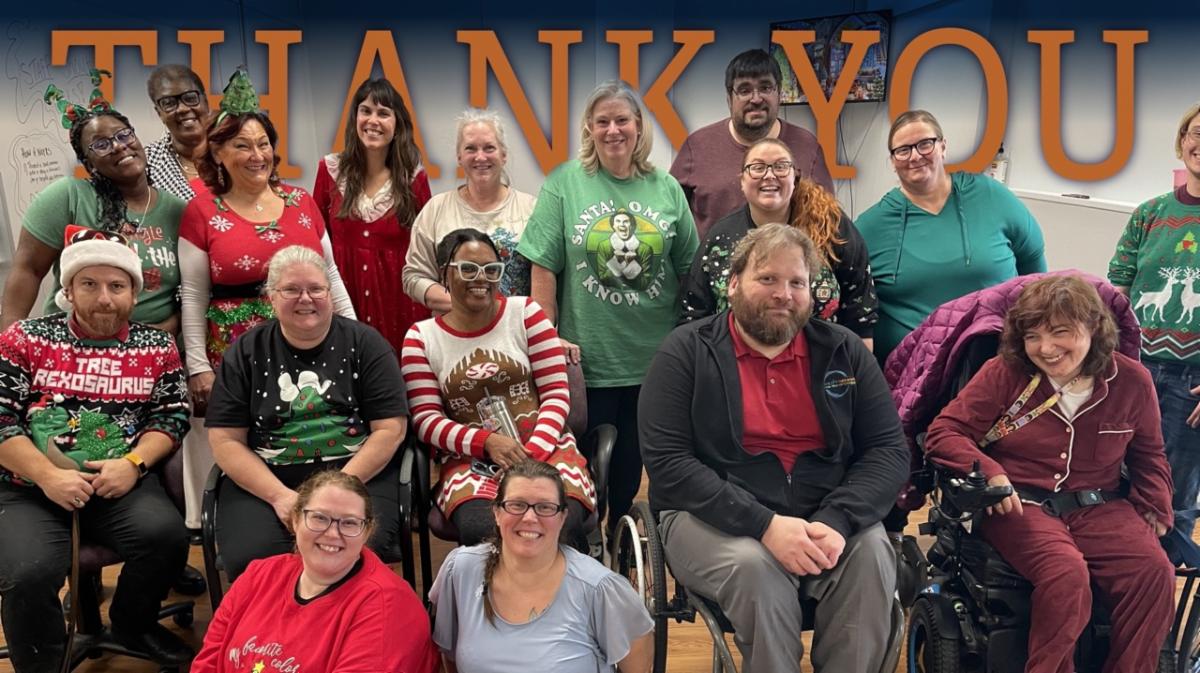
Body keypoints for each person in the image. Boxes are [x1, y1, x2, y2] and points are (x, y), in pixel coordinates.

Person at [640, 224, 908, 673]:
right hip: (715, 519)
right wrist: (763, 525)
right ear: (732, 284)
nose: (783, 293)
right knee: (754, 569)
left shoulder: (844, 351)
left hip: (826, 513)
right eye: (767, 279)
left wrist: (837, 520)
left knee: (873, 555)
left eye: (796, 282)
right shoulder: (685, 352)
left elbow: (887, 450)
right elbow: (668, 464)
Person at [924, 274, 1175, 673]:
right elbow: (944, 431)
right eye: (1033, 336)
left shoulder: (1132, 380)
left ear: (1093, 328)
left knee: (1154, 573)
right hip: (1019, 502)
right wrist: (990, 472)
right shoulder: (1005, 372)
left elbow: (1149, 454)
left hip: (1100, 505)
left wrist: (1155, 504)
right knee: (1065, 574)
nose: (1046, 348)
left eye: (1060, 332)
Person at [0, 228, 193, 671]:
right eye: (90, 284)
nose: (104, 298)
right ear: (67, 290)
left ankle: (133, 624)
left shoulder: (157, 346)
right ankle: (44, 662)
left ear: (133, 292)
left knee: (166, 537)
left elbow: (171, 416)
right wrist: (48, 476)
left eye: (117, 286)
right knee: (28, 573)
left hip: (117, 481)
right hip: (29, 486)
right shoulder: (25, 340)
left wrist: (132, 463)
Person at [518, 81, 698, 533]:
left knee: (629, 470)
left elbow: (690, 269)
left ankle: (623, 547)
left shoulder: (667, 187)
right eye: (603, 121)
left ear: (639, 127)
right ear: (589, 129)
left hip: (653, 357)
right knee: (582, 468)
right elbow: (543, 266)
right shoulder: (565, 182)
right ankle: (581, 548)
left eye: (622, 120)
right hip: (586, 355)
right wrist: (548, 335)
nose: (613, 129)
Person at [205, 246, 405, 579]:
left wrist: (336, 490)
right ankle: (279, 629)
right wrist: (280, 497)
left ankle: (349, 627)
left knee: (355, 551)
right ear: (271, 296)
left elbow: (390, 429)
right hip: (270, 478)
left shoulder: (367, 344)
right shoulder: (244, 352)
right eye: (291, 290)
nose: (306, 299)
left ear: (329, 293)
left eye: (315, 289)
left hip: (355, 473)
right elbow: (225, 440)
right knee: (253, 558)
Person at [401, 228, 595, 547]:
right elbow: (425, 420)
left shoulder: (526, 314)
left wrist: (530, 457)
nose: (482, 278)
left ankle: (565, 596)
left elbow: (557, 395)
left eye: (491, 270)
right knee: (483, 531)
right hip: (470, 461)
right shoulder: (421, 339)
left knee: (558, 521)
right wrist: (487, 442)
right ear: (443, 275)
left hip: (548, 448)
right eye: (468, 269)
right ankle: (496, 597)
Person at [179, 67, 354, 418]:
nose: (257, 155)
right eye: (242, 146)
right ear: (218, 154)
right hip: (237, 352)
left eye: (263, 144)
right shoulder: (201, 211)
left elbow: (331, 275)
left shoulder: (301, 201)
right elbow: (194, 295)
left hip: (312, 341)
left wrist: (356, 338)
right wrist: (198, 367)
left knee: (311, 427)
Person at [191, 470, 438, 673]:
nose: (332, 533)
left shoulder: (387, 606)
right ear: (296, 520)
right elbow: (208, 661)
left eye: (349, 522)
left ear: (367, 532)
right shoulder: (259, 574)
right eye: (319, 518)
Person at [856, 109, 1047, 366]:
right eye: (903, 150)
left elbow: (1033, 263)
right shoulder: (871, 225)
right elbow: (853, 297)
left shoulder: (991, 197)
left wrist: (1036, 331)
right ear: (892, 160)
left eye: (925, 144)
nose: (915, 156)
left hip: (996, 363)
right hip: (912, 373)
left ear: (942, 146)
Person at [1, 69, 183, 335]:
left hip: (152, 353)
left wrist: (163, 332)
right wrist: (9, 350)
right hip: (70, 350)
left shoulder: (177, 211)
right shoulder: (68, 196)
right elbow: (28, 270)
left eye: (124, 135)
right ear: (89, 164)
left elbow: (191, 289)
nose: (119, 146)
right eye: (101, 144)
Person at [430, 460, 653, 673]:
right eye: (516, 505)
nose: (529, 517)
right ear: (496, 513)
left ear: (563, 517)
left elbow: (638, 667)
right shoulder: (460, 570)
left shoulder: (600, 589)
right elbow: (449, 659)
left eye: (545, 507)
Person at [1109, 102, 1200, 565]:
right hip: (1135, 368)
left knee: (1175, 499)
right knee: (1114, 479)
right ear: (1183, 140)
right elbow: (1116, 292)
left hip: (1193, 383)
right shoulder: (1149, 213)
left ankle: (1160, 621)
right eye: (1196, 132)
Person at [680, 137, 877, 347]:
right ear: (742, 182)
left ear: (795, 178)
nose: (769, 175)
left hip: (822, 364)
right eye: (757, 167)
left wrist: (857, 373)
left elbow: (860, 313)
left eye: (781, 166)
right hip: (737, 366)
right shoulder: (720, 239)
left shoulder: (832, 228)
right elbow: (695, 315)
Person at [314, 77, 431, 350]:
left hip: (399, 305)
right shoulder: (330, 171)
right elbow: (316, 241)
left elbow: (427, 249)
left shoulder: (414, 179)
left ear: (397, 123)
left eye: (383, 113)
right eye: (365, 110)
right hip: (345, 300)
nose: (372, 120)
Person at [670, 48, 834, 239]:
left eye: (765, 88)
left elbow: (826, 221)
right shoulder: (697, 146)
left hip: (789, 266)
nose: (756, 99)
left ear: (779, 93)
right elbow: (671, 216)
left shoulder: (807, 146)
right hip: (713, 265)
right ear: (729, 99)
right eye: (745, 90)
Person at [405, 108, 537, 309]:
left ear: (504, 155)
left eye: (489, 148)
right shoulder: (436, 209)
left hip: (516, 335)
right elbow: (414, 277)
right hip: (452, 335)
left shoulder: (531, 209)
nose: (480, 157)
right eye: (471, 149)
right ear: (459, 157)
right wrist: (466, 306)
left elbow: (547, 281)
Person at [144, 64, 210, 201]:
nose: (182, 109)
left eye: (190, 98)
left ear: (206, 102)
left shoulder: (237, 146)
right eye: (169, 103)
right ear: (159, 113)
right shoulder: (147, 164)